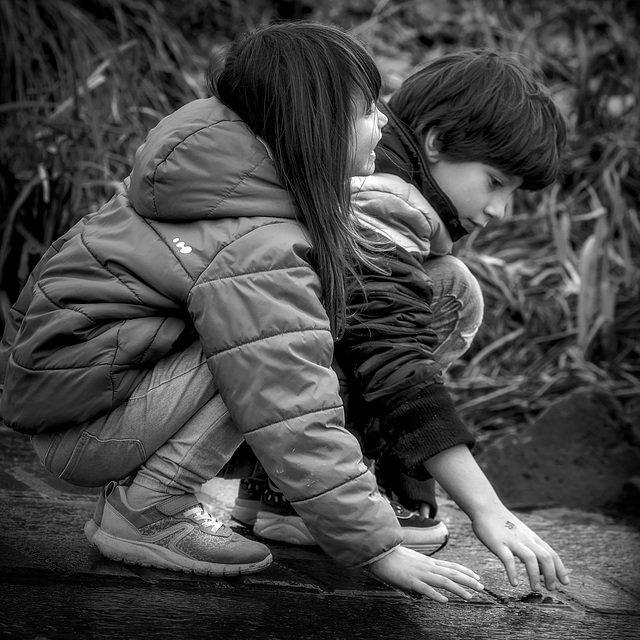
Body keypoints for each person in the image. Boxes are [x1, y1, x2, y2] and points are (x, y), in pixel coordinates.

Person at [0, 22, 487, 603]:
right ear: (317, 121)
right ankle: (148, 508)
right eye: (366, 108)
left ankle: (268, 499)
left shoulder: (229, 175)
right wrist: (376, 549)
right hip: (84, 432)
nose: (384, 121)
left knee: (288, 325)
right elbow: (287, 394)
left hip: (82, 403)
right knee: (272, 344)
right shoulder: (257, 238)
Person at [231, 48, 571, 595]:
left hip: (242, 367)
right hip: (206, 371)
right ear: (436, 141)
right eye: (494, 182)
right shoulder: (382, 194)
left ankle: (287, 488)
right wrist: (489, 509)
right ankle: (295, 491)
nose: (499, 212)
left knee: (447, 284)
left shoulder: (383, 174)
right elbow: (390, 354)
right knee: (443, 292)